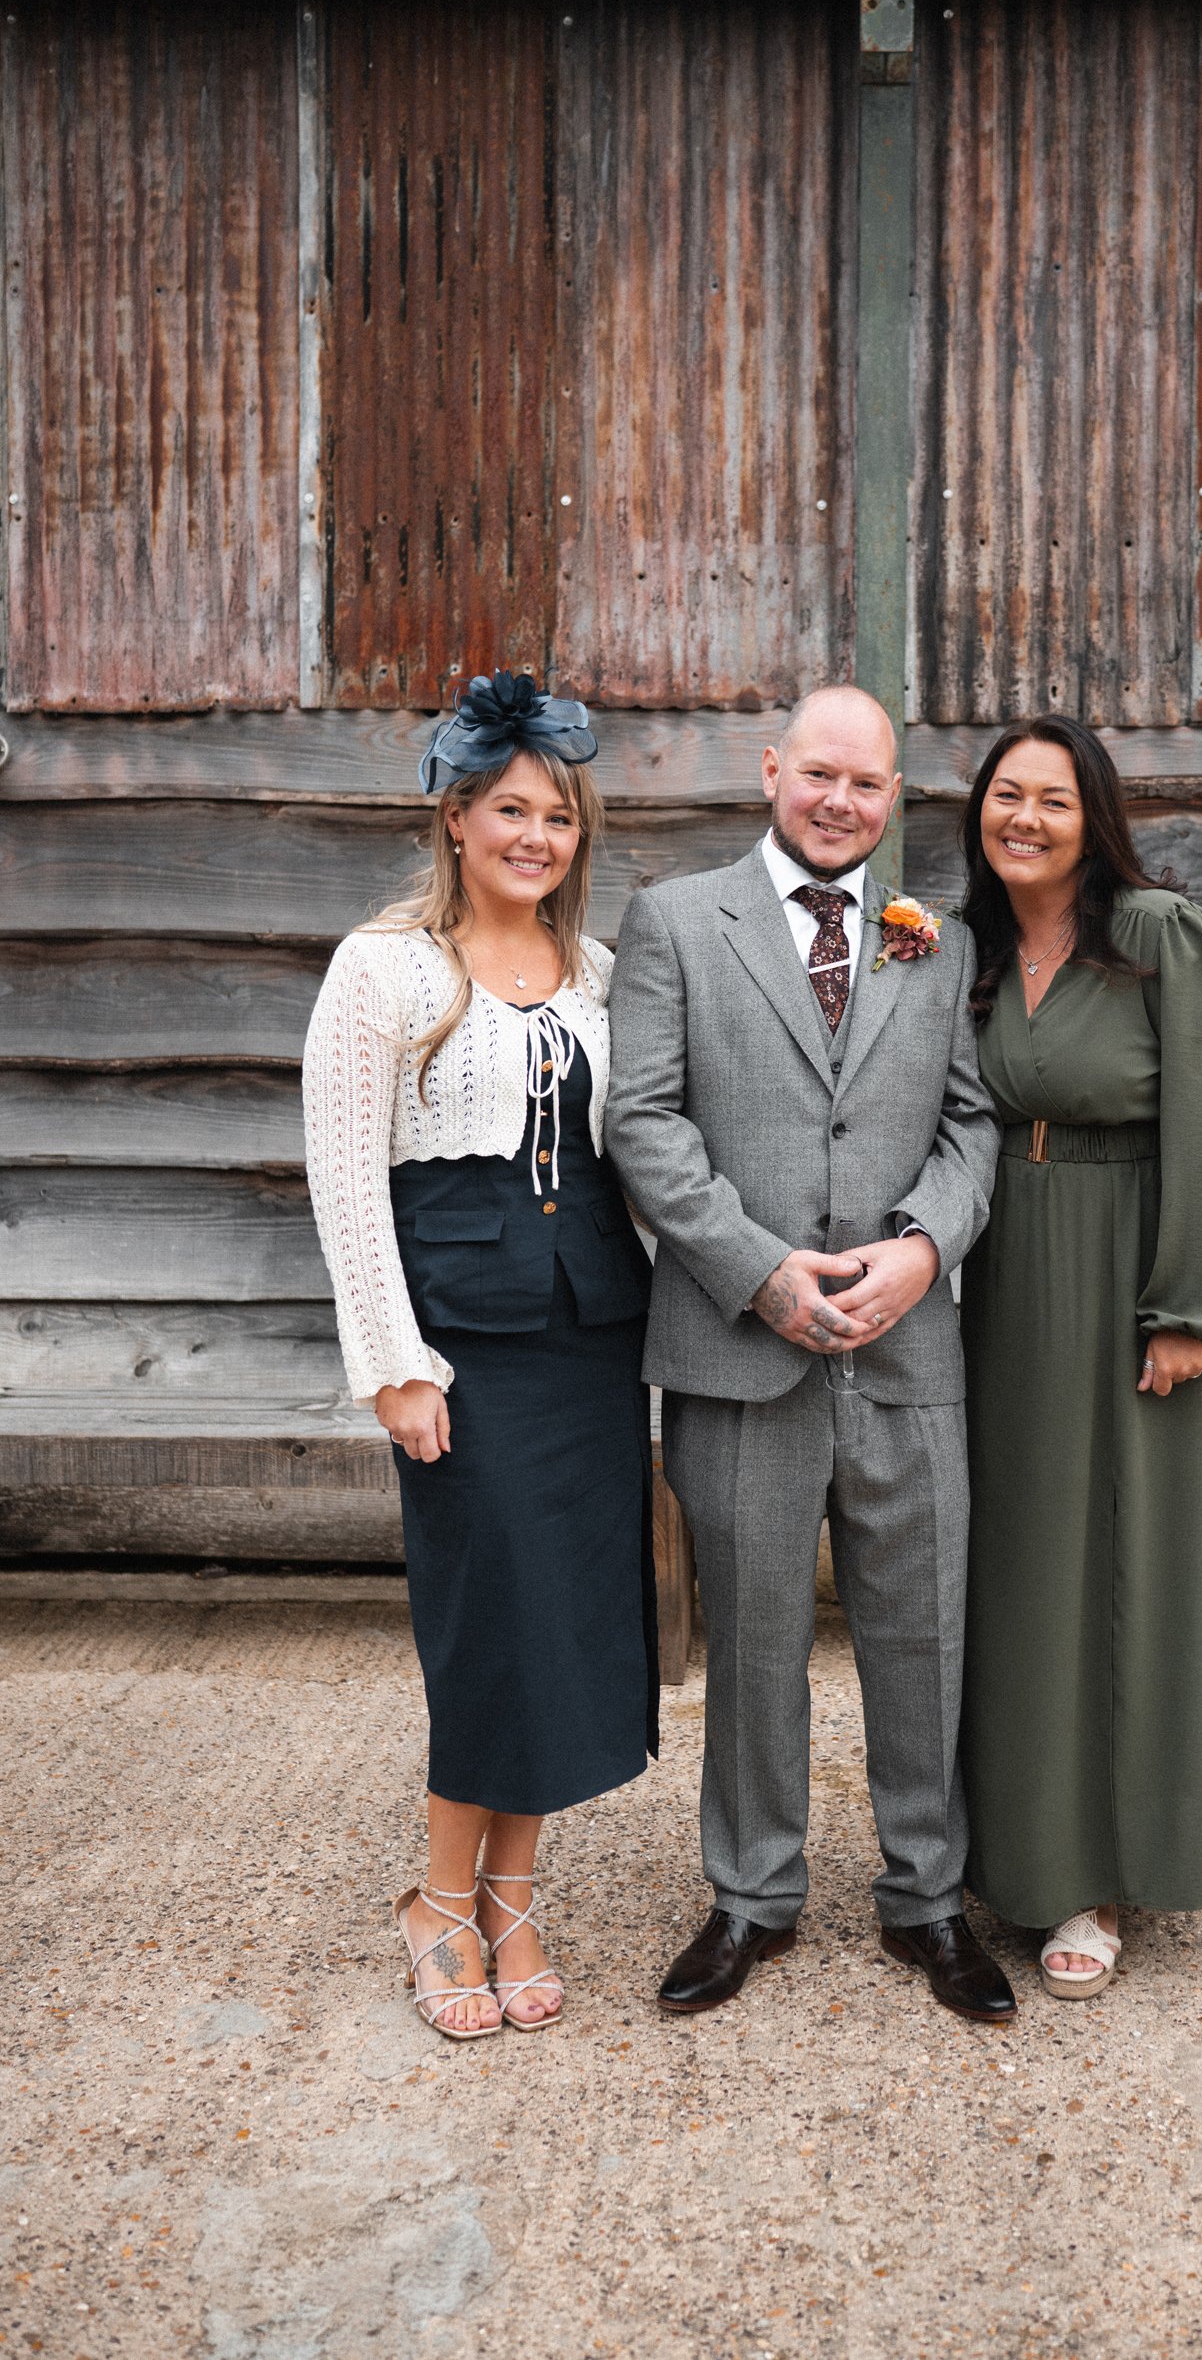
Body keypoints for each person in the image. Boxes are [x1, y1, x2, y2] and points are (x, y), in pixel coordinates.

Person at [605, 686, 1014, 2023]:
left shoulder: (927, 943)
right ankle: (748, 1897)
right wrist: (759, 1273)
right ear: (772, 769)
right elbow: (646, 1124)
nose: (840, 800)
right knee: (757, 1641)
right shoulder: (676, 921)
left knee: (921, 1637)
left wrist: (920, 1251)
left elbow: (969, 1130)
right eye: (818, 773)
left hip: (908, 1357)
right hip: (740, 1355)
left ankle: (925, 1901)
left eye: (868, 783)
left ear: (893, 799)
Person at [303, 672, 657, 2041]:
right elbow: (344, 1179)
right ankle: (438, 1902)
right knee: (485, 1621)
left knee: (562, 1625)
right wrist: (393, 1361)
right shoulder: (382, 968)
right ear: (455, 817)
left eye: (557, 817)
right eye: (509, 810)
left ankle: (515, 1893)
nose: (535, 837)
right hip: (461, 1340)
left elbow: (635, 1161)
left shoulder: (600, 978)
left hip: (587, 1341)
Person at [956, 714, 1202, 1998]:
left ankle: (1095, 1874)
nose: (1023, 818)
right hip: (998, 1289)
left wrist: (1193, 1304)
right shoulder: (963, 951)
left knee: (1118, 1571)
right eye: (1003, 795)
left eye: (1053, 799)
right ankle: (1008, 1848)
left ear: (1094, 819)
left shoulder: (1155, 937)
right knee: (1018, 1569)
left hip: (1128, 1284)